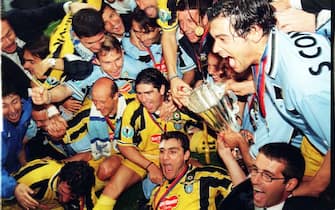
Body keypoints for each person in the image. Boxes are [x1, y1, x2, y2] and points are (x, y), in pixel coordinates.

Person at [208, 0, 330, 197]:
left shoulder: (302, 86)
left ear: (254, 32)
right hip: (315, 141)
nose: (215, 49)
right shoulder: (275, 44)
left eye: (223, 38)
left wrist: (315, 187)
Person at [93, 68, 202, 209]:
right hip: (143, 156)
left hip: (172, 154)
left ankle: (150, 198)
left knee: (197, 178)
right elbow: (124, 146)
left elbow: (204, 118)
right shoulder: (133, 110)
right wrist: (150, 167)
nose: (144, 99)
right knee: (113, 188)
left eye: (149, 93)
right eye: (139, 94)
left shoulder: (177, 104)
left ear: (162, 90)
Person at [218, 142, 331, 210]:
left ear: (290, 185)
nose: (255, 180)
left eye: (267, 176)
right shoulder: (234, 202)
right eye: (255, 170)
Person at [149, 131, 233, 209]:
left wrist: (230, 154)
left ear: (186, 155)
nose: (165, 157)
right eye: (162, 152)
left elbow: (243, 191)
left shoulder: (207, 176)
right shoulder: (156, 192)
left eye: (173, 152)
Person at [122, 8, 196, 83]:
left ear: (159, 27)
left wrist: (177, 90)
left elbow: (189, 72)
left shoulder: (176, 39)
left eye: (147, 33)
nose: (142, 38)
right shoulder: (129, 44)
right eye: (137, 32)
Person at [7, 159, 96, 210]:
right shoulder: (33, 178)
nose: (65, 200)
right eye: (63, 191)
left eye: (72, 196)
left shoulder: (84, 184)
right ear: (60, 177)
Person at [1, 81, 34, 207]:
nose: (12, 110)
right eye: (3, 106)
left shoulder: (27, 106)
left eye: (14, 101)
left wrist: (52, 112)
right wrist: (13, 188)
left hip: (19, 162)